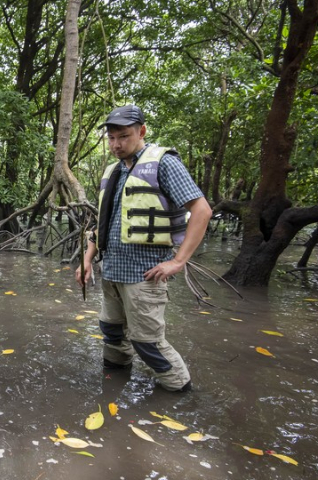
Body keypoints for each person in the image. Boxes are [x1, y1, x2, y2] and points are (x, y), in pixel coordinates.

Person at [76, 105, 212, 392]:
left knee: (147, 342)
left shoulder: (164, 163)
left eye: (123, 136)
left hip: (144, 275)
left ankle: (180, 393)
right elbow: (103, 223)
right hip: (111, 271)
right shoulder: (113, 170)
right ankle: (112, 386)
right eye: (111, 138)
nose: (116, 144)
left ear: (142, 131)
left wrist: (178, 261)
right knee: (111, 331)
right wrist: (87, 259)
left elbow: (202, 211)